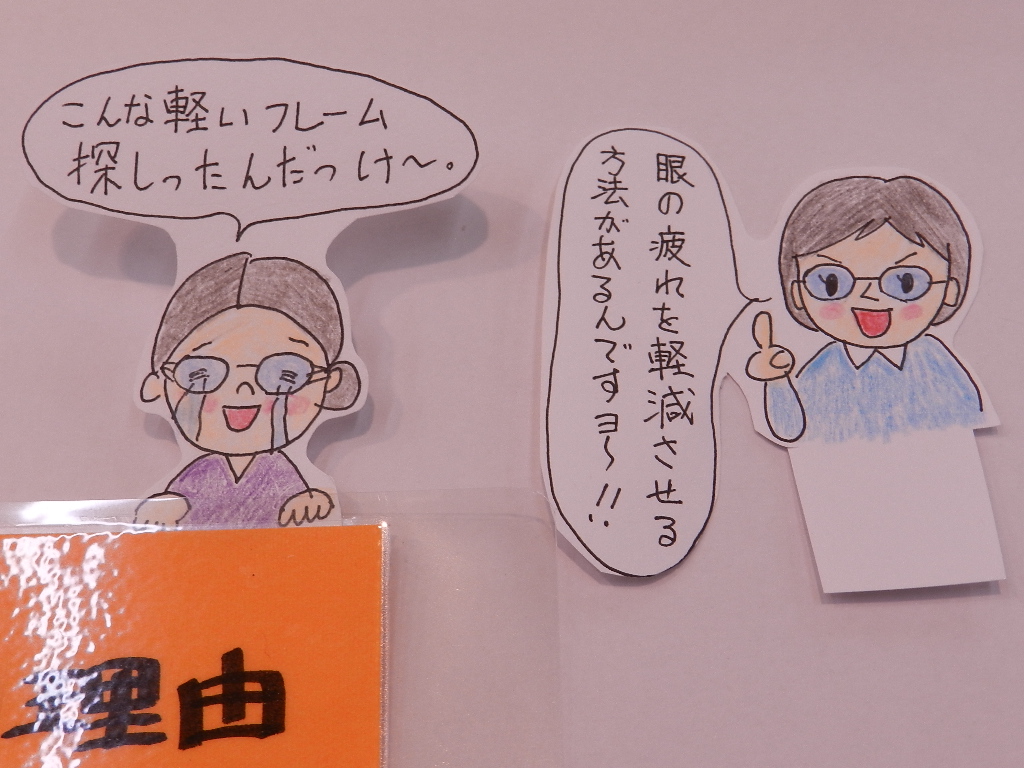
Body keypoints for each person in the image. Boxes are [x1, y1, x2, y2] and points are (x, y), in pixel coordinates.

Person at [745, 175, 986, 443]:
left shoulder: (936, 367)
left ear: (950, 289)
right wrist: (777, 381)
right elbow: (792, 432)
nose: (869, 296)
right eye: (832, 283)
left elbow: (967, 424)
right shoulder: (823, 372)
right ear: (797, 293)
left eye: (905, 282)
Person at [134, 252, 362, 527]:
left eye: (285, 374)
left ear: (330, 381)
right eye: (202, 375)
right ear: (157, 384)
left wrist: (307, 501)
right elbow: (178, 503)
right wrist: (168, 505)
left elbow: (299, 504)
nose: (244, 390)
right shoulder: (200, 474)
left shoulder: (279, 473)